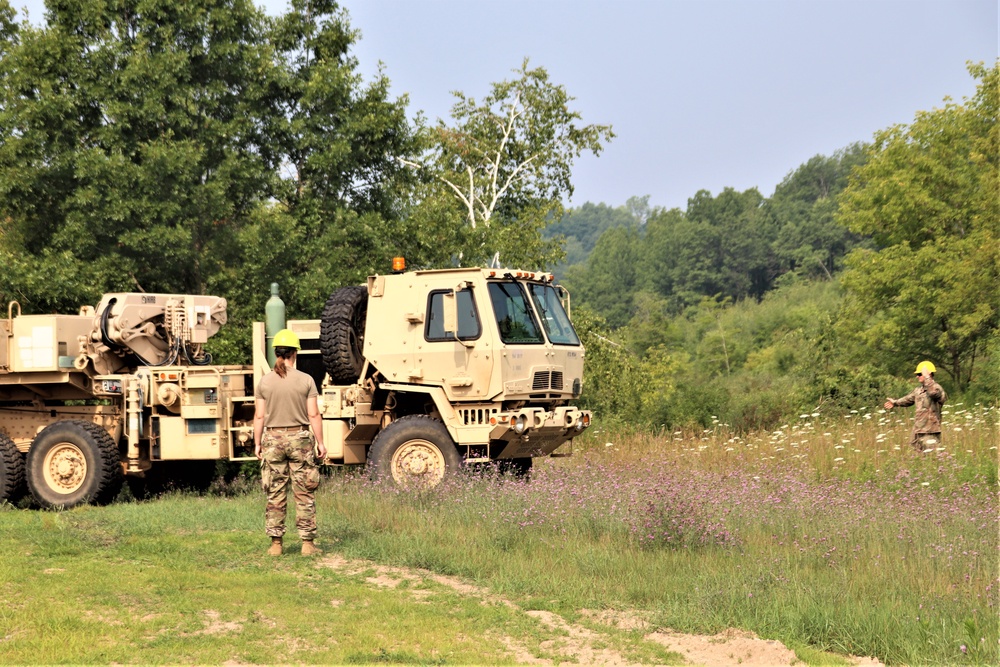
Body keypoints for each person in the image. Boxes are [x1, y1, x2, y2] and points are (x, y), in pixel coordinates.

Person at [254, 329, 327, 556]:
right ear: (295, 353)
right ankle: (307, 544)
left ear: (276, 352)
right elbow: (314, 415)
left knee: (275, 491)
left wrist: (257, 443)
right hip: (300, 440)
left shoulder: (264, 382)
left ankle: (276, 545)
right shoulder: (306, 380)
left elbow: (259, 416)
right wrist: (321, 443)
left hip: (272, 440)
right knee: (304, 491)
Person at [883, 360, 947, 452]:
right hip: (917, 431)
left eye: (920, 374)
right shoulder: (918, 390)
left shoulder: (937, 388)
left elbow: (933, 393)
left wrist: (927, 377)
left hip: (930, 431)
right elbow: (907, 399)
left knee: (934, 457)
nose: (917, 376)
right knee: (915, 457)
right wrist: (895, 402)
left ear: (929, 374)